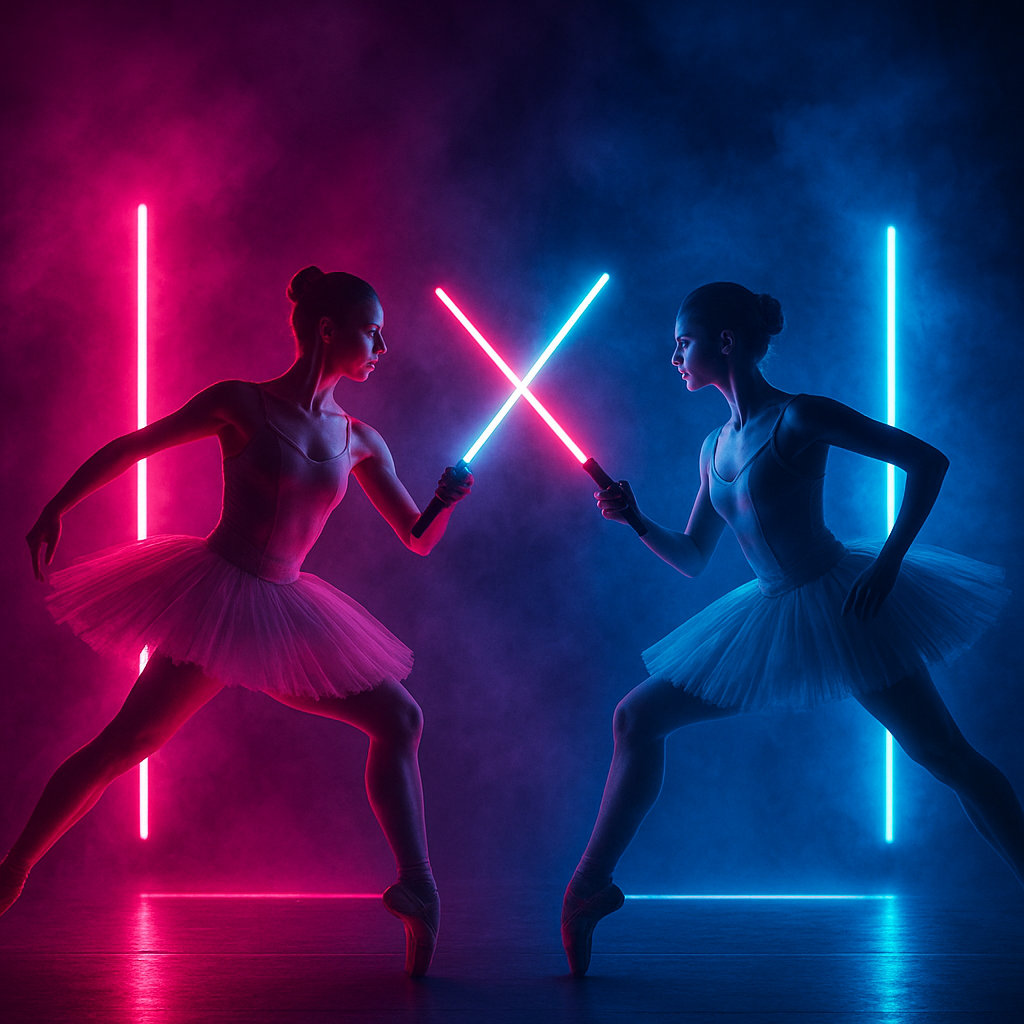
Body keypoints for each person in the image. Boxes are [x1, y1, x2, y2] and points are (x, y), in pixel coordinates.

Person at [1, 266, 471, 977]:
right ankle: (13, 869)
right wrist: (56, 506)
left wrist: (444, 502)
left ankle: (418, 887)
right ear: (327, 329)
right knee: (126, 744)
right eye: (372, 333)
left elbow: (416, 537)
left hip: (286, 607)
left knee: (400, 719)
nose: (383, 347)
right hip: (218, 597)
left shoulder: (362, 439)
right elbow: (136, 445)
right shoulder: (241, 403)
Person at [561, 281, 1020, 976]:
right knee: (636, 718)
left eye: (683, 342)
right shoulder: (712, 446)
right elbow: (693, 556)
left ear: (724, 342)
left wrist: (889, 563)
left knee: (947, 757)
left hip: (844, 603)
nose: (673, 356)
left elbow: (928, 462)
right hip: (771, 610)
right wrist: (634, 519)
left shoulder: (801, 416)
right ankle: (589, 887)